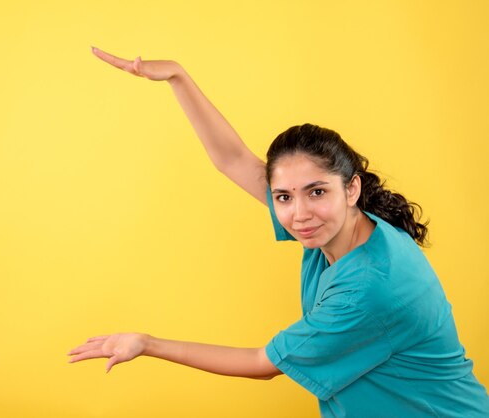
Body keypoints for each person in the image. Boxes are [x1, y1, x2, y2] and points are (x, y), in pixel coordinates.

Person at [68, 48, 489, 417]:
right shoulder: (343, 229)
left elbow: (262, 363)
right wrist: (178, 76)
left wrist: (148, 343)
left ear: (352, 188)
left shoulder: (369, 288)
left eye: (316, 192)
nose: (298, 214)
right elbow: (233, 159)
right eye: (283, 197)